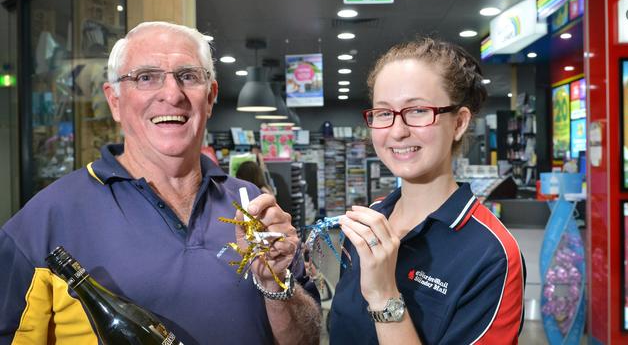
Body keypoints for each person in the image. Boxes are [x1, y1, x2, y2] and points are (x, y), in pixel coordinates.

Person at [0, 21, 321, 344]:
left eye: (188, 76)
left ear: (209, 98)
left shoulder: (251, 204)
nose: (171, 94)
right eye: (145, 77)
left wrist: (275, 285)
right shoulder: (46, 220)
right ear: (114, 100)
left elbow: (307, 339)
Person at [329, 37, 525, 345]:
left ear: (459, 122)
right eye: (383, 113)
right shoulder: (370, 220)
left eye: (417, 110)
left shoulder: (492, 253)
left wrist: (384, 296)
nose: (397, 131)